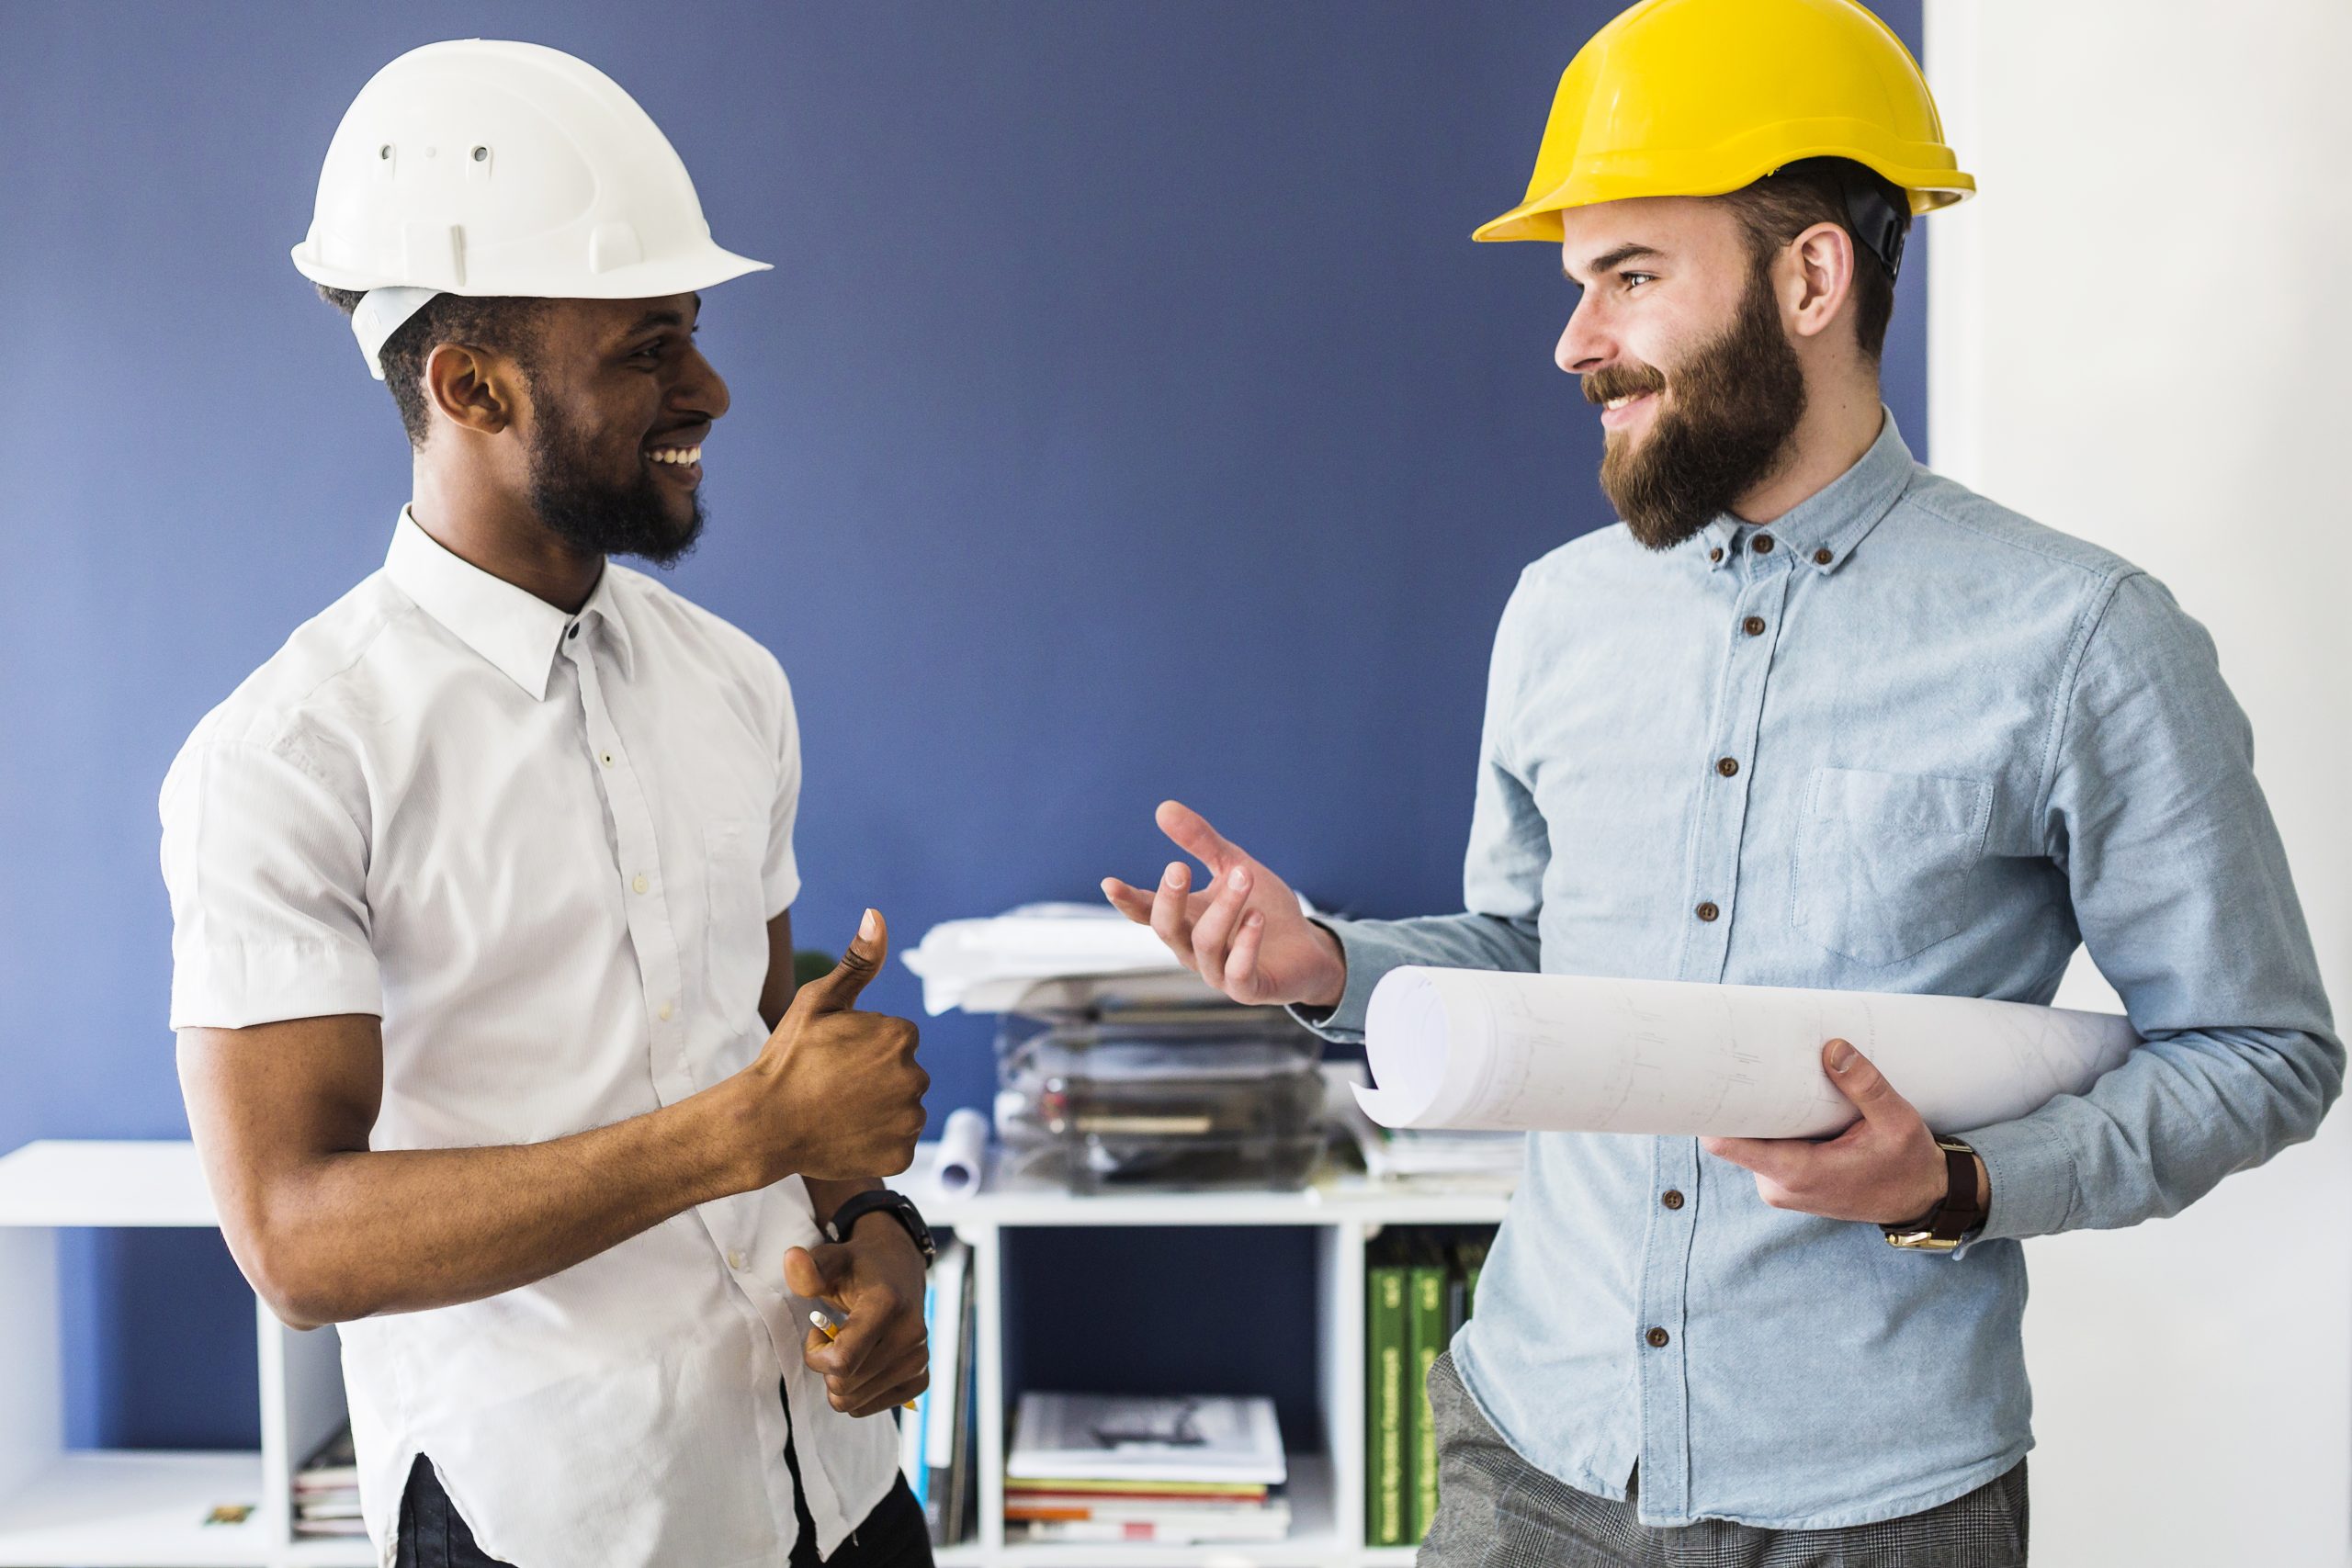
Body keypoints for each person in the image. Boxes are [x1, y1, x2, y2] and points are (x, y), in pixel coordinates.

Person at [1103, 1, 2340, 1562]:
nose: (1573, 342)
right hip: (1527, 1450)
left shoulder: (2084, 637)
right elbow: (1541, 965)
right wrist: (1335, 965)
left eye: (1631, 277)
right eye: (1577, 284)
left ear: (1811, 276)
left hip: (1872, 1502)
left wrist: (1961, 1182)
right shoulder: (1559, 611)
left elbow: (2259, 1049)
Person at [162, 41, 936, 1568]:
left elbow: (774, 1060)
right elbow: (296, 1239)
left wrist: (883, 1241)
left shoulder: (736, 685)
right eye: (649, 346)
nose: (708, 386)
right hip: (555, 1524)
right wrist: (740, 1133)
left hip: (837, 1494)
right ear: (469, 383)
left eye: (695, 333)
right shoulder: (289, 759)